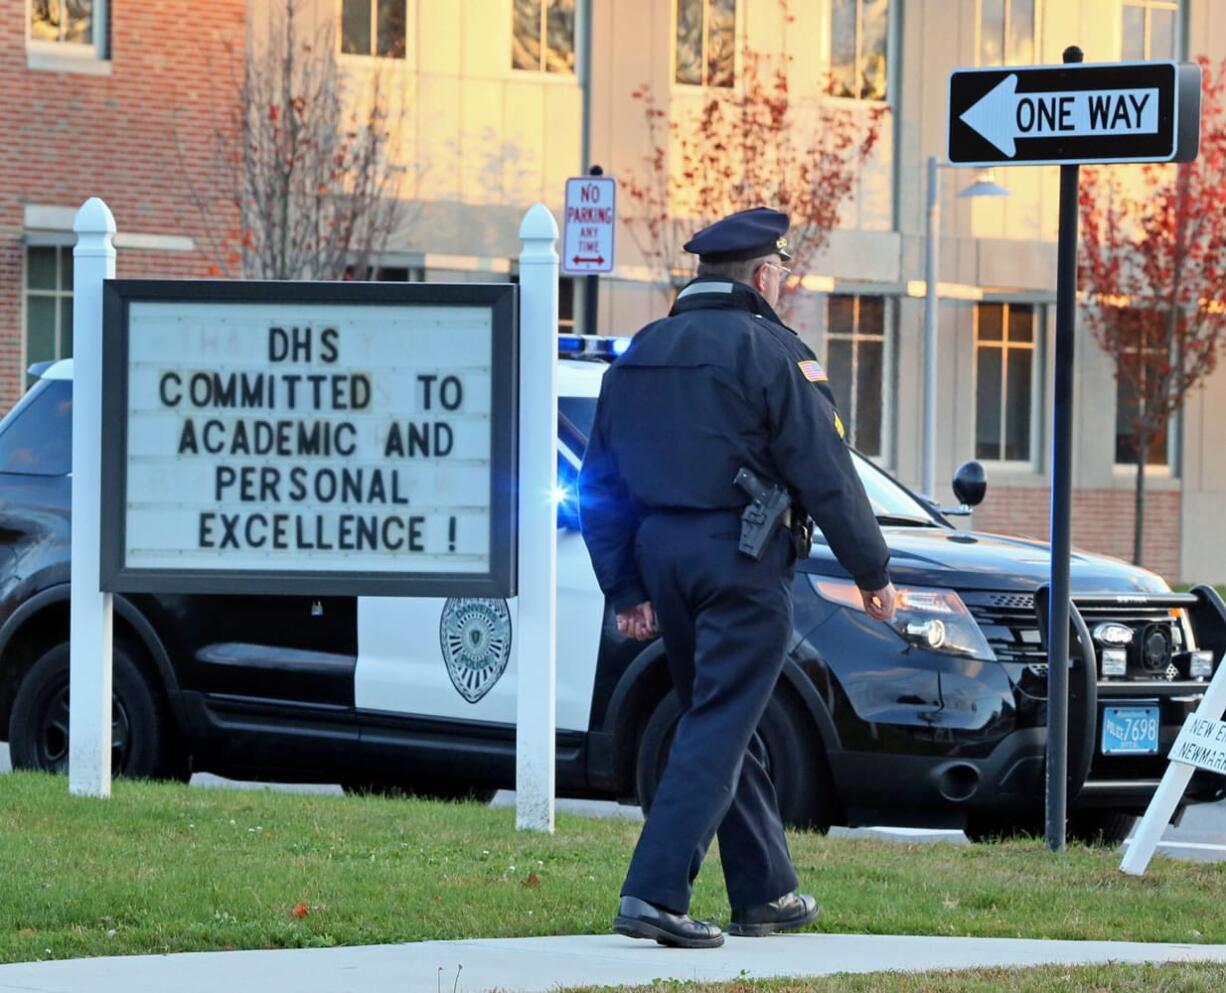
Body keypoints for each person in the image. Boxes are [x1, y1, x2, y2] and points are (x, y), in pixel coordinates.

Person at [578, 206, 897, 949]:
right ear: (760, 276)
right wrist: (872, 571)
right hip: (743, 561)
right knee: (720, 721)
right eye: (778, 272)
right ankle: (653, 891)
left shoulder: (640, 352)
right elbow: (828, 474)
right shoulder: (773, 353)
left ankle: (767, 892)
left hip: (664, 559)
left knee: (724, 719)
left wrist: (626, 586)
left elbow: (602, 480)